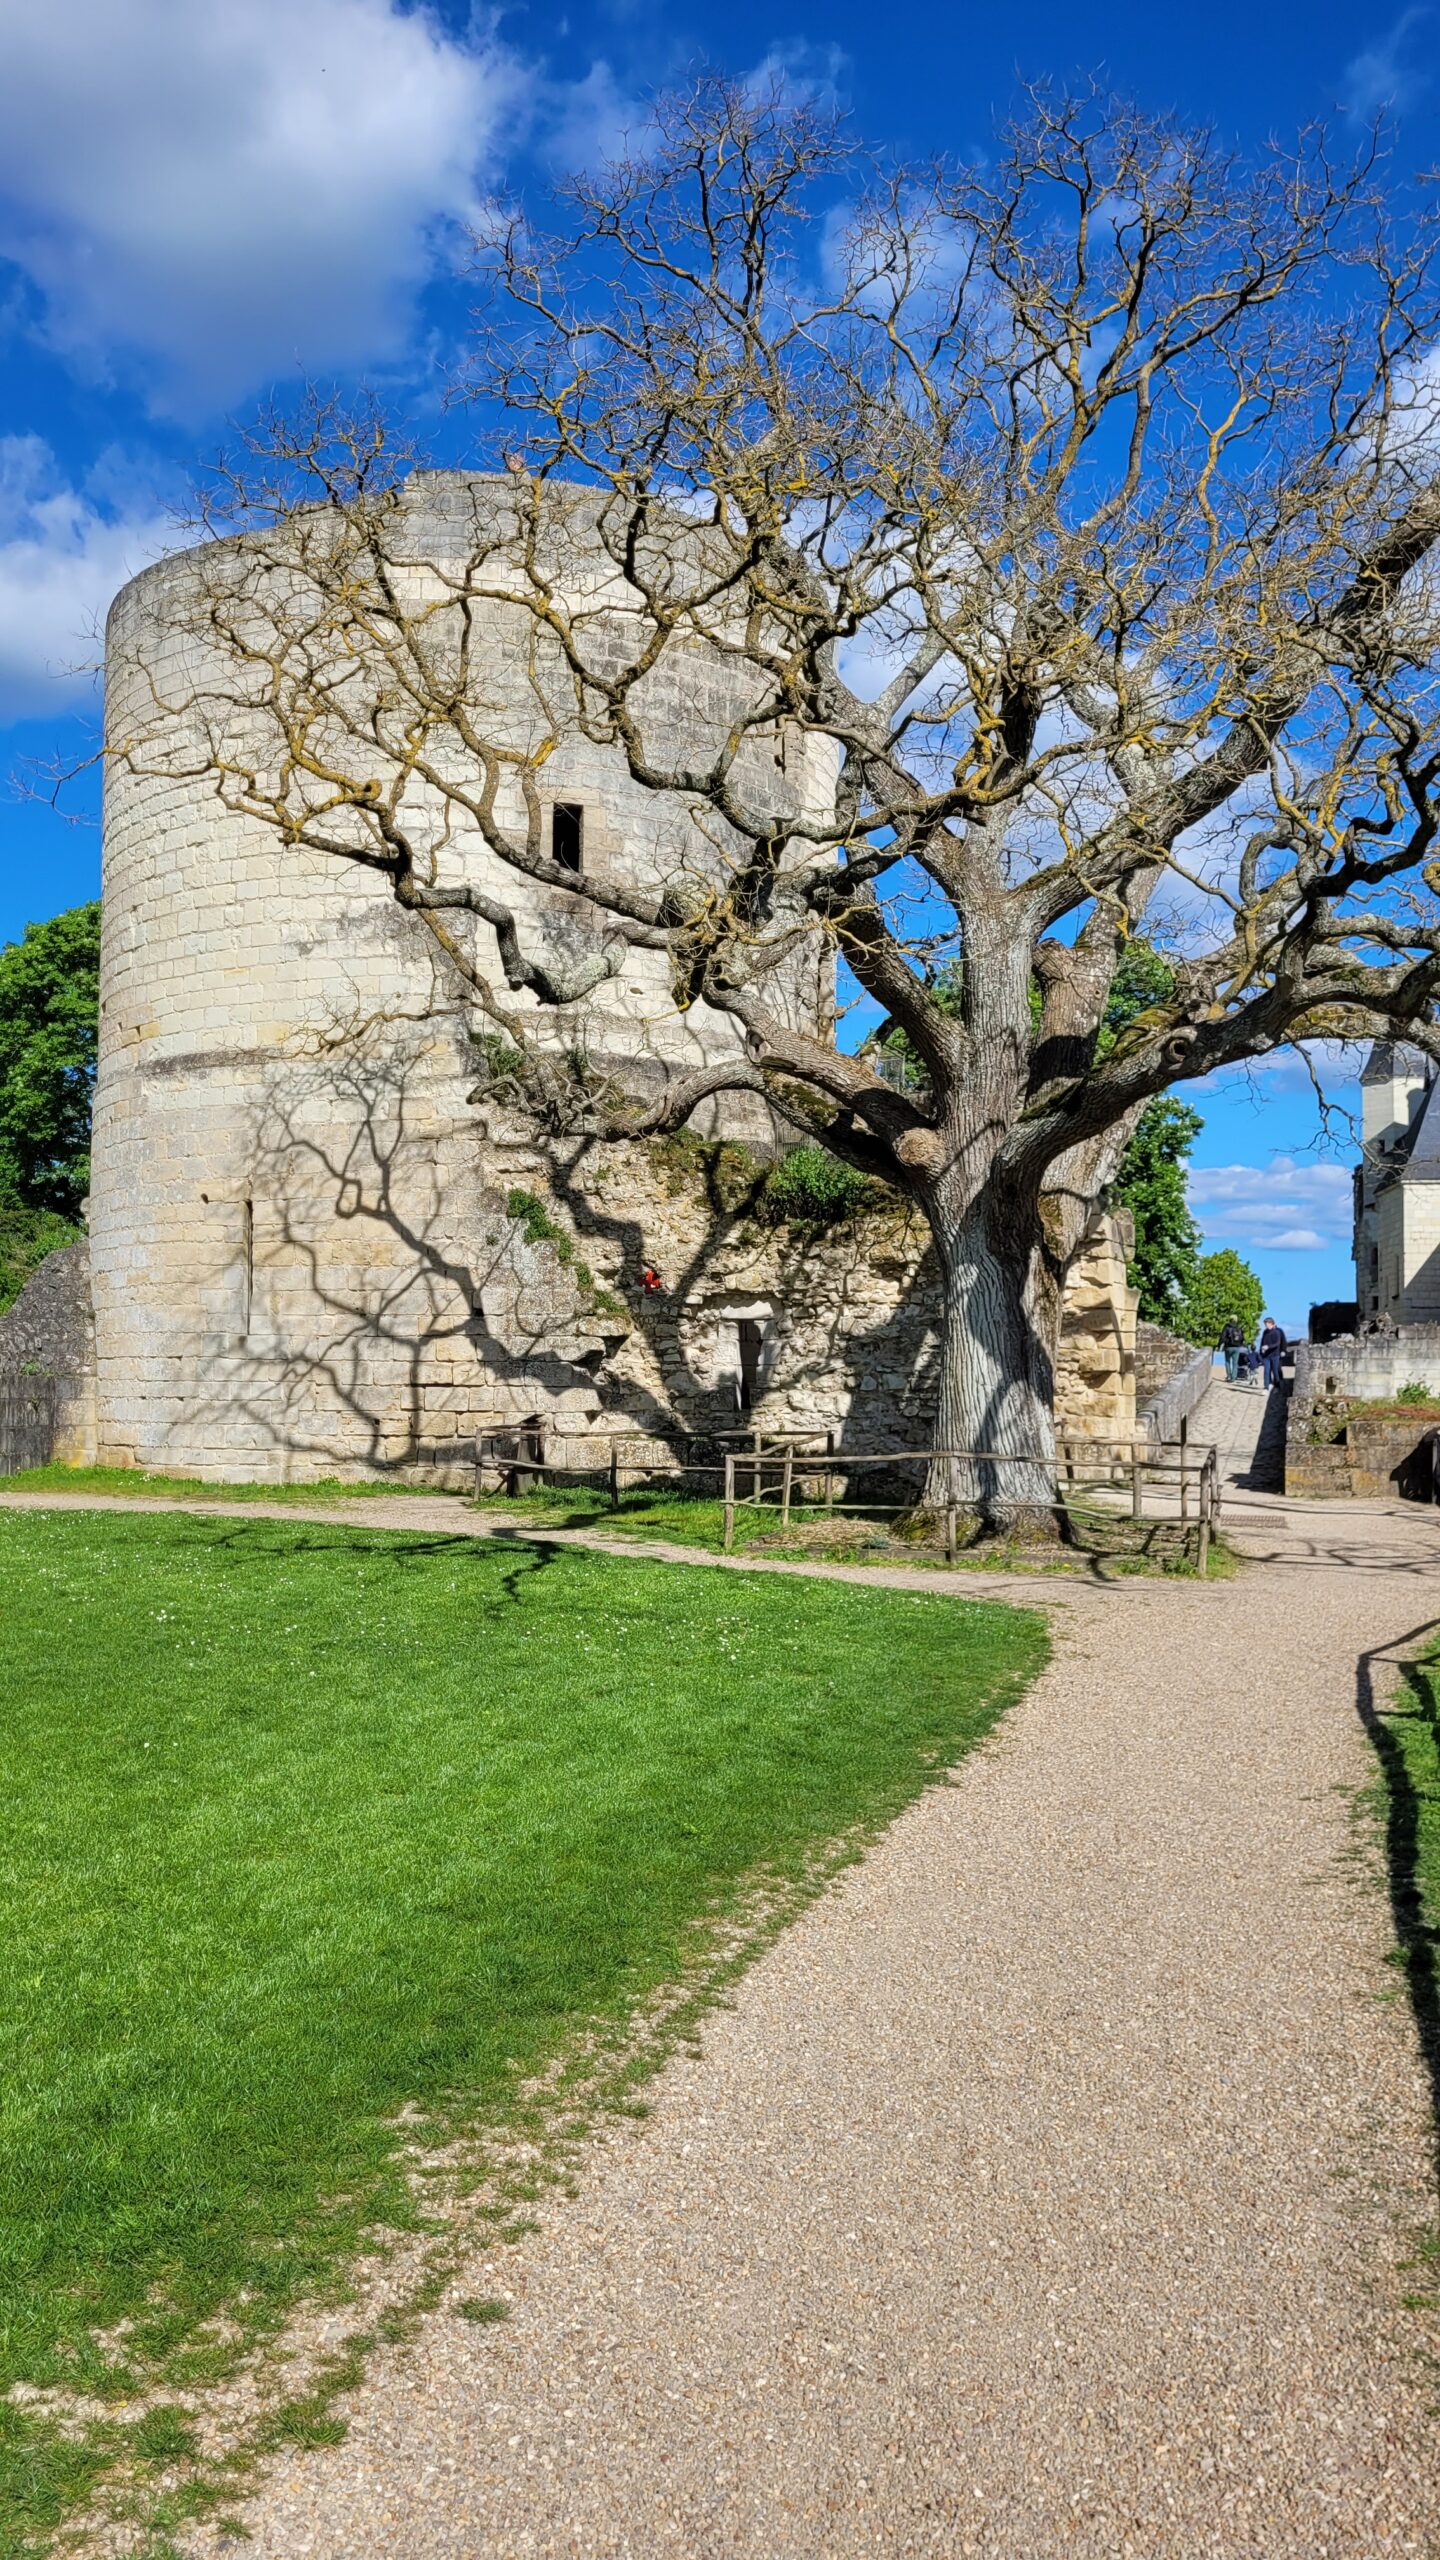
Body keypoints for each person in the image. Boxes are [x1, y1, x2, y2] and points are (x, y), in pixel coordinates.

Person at [1258, 1316, 1288, 1390]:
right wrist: (1261, 1351)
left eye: (1266, 1323)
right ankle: (1266, 1387)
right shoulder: (1265, 1332)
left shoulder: (1278, 1331)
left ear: (1271, 1323)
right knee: (1266, 1371)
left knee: (1276, 1370)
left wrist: (1283, 1350)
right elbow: (1262, 1342)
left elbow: (1281, 1342)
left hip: (1275, 1354)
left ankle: (1277, 1385)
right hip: (1266, 1355)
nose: (1265, 1325)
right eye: (1265, 1324)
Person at [1219, 1316, 1244, 1383]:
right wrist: (1240, 1344)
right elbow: (1242, 1338)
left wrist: (1220, 1345)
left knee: (1227, 1362)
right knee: (1235, 1363)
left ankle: (1229, 1376)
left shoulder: (1227, 1326)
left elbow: (1223, 1337)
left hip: (1228, 1347)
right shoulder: (1239, 1327)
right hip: (1237, 1347)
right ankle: (1233, 1377)